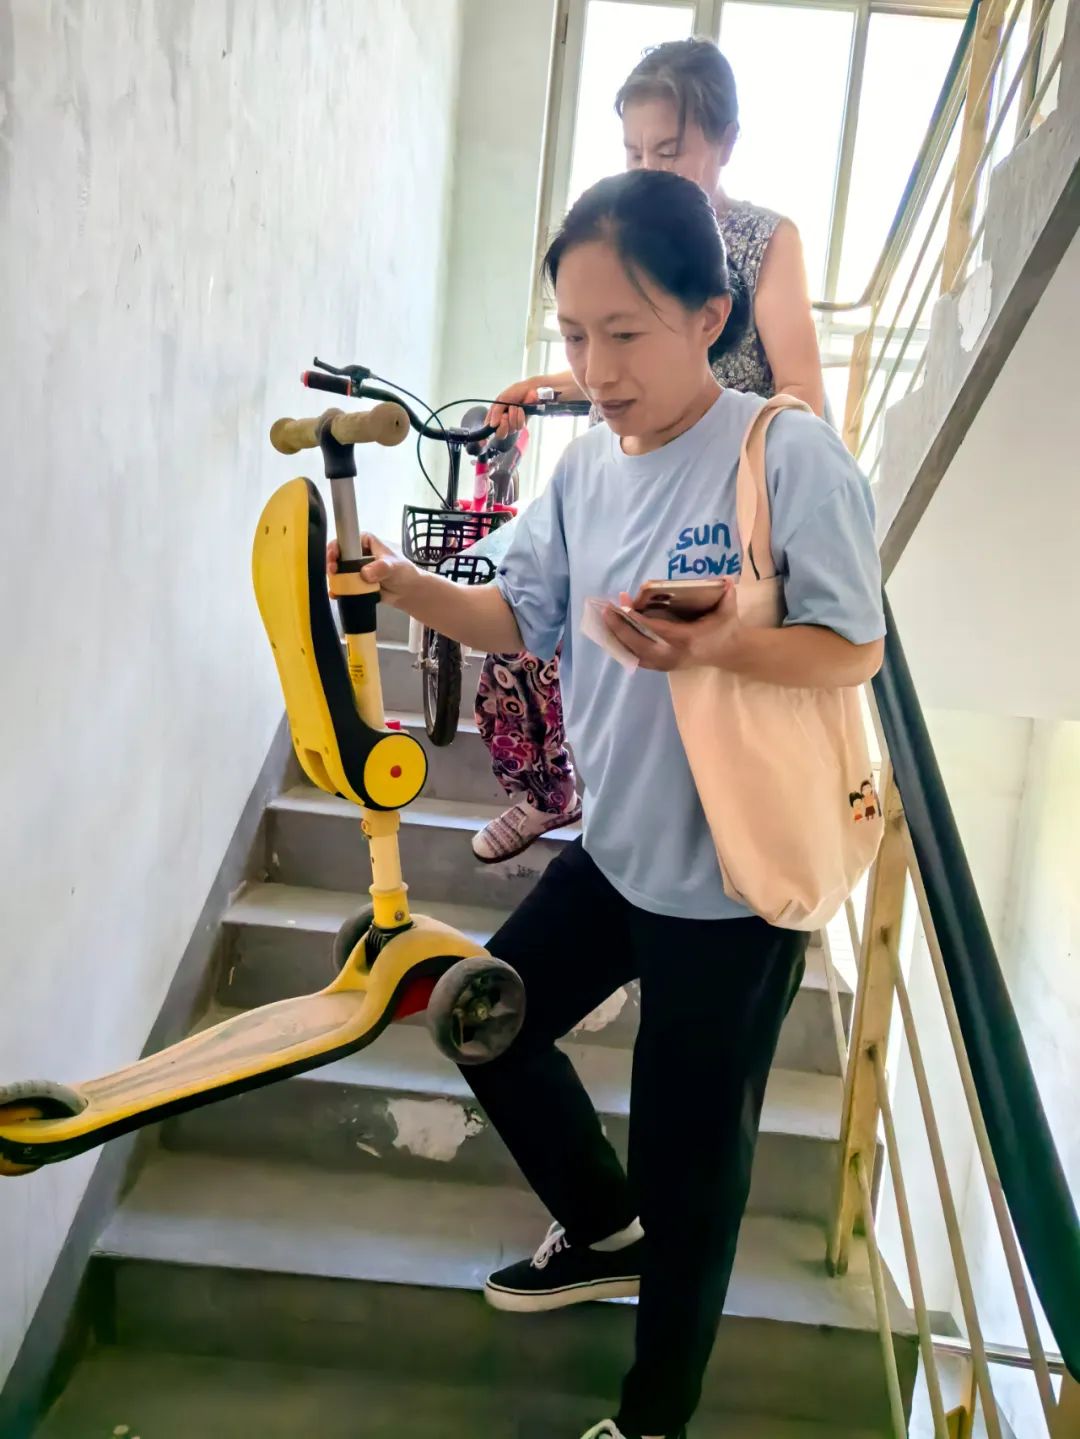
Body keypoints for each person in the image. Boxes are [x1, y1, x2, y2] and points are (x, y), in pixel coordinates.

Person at [334, 168, 884, 1439]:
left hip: (735, 886)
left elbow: (853, 645)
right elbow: (515, 615)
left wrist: (722, 644)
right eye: (576, 334)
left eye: (625, 331)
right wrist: (402, 580)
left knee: (695, 1165)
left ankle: (653, 1417)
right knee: (483, 1021)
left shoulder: (784, 452)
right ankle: (600, 1225)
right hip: (617, 852)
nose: (596, 366)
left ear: (709, 314)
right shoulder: (585, 472)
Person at [471, 35, 826, 865]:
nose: (649, 167)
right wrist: (545, 384)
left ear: (726, 141)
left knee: (660, 671)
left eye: (669, 150)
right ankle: (554, 793)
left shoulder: (761, 240)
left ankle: (682, 840)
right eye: (633, 151)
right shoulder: (627, 235)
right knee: (537, 618)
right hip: (634, 471)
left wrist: (753, 465)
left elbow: (801, 388)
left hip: (717, 490)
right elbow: (616, 350)